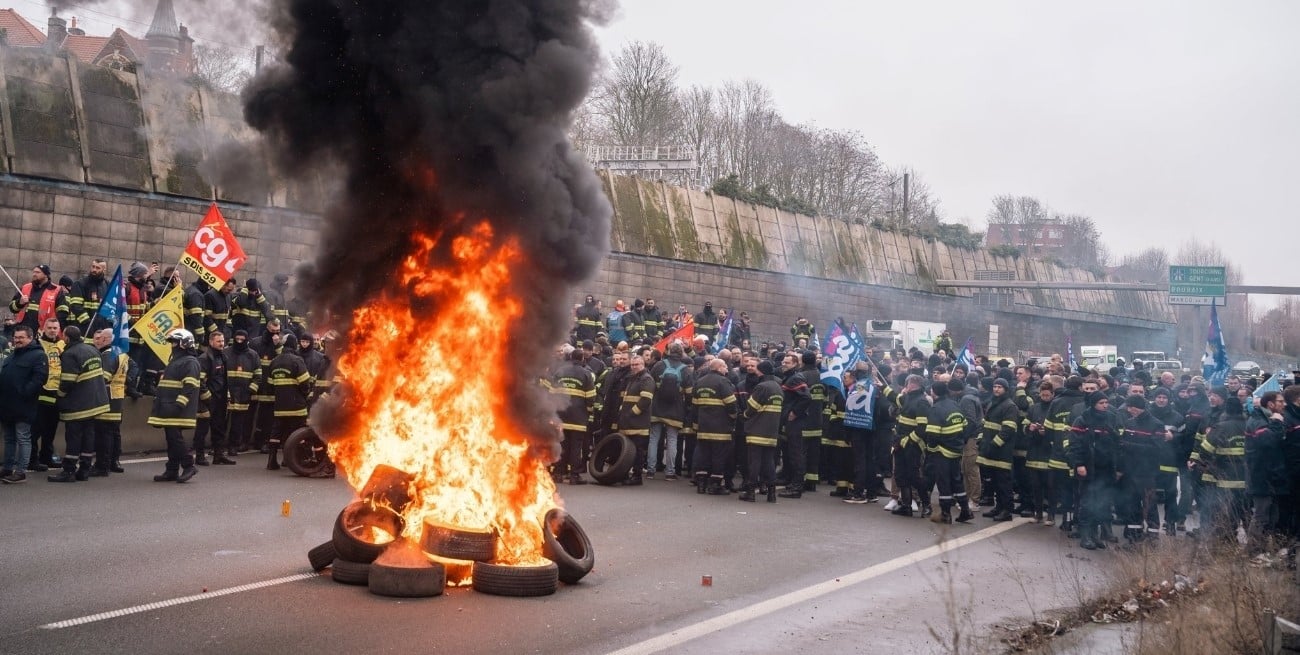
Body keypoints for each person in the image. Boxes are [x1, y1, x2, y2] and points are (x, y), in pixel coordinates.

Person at [48, 326, 110, 482]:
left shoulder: (70, 354)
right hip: (95, 402)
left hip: (78, 404)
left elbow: (68, 381)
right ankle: (84, 470)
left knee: (74, 437)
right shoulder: (92, 350)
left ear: (67, 338)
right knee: (88, 436)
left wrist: (59, 396)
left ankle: (68, 471)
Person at [1069, 390, 1121, 550]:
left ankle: (1095, 535)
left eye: (1106, 403)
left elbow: (1118, 444)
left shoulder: (1111, 418)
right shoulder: (1082, 420)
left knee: (1102, 503)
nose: (1105, 405)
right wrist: (1079, 464)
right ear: (1093, 404)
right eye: (1101, 403)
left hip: (1106, 469)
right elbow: (1075, 444)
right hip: (1089, 467)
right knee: (1087, 502)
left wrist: (1118, 468)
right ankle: (1085, 535)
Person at [149, 329, 201, 483]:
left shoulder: (190, 362)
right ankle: (172, 469)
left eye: (174, 342)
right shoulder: (176, 361)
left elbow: (189, 386)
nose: (172, 345)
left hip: (177, 407)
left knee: (175, 438)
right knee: (171, 439)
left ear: (184, 344)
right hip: (167, 405)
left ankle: (189, 465)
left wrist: (179, 404)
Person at [924, 378, 975, 524]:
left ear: (934, 393)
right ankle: (965, 511)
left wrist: (931, 449)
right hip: (956, 450)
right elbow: (965, 426)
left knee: (943, 483)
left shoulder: (936, 409)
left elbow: (932, 434)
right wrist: (959, 443)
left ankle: (945, 514)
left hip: (942, 452)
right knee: (957, 481)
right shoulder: (955, 405)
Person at [0, 325, 48, 483]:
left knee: (23, 438)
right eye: (15, 337)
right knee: (9, 439)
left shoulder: (38, 355)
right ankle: (7, 468)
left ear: (30, 338)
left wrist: (24, 393)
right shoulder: (12, 356)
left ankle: (20, 471)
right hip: (7, 405)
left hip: (24, 405)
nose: (17, 340)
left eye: (21, 337)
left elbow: (39, 379)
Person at [1245, 390, 1287, 558]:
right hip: (1260, 475)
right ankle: (1253, 551)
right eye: (1280, 402)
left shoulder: (1264, 419)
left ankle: (1264, 550)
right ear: (1270, 404)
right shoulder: (1258, 421)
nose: (1283, 405)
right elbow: (1267, 442)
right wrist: (1276, 424)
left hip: (1270, 475)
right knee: (1261, 515)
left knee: (1272, 516)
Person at [1117, 395, 1165, 543]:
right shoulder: (1129, 423)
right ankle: (1133, 535)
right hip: (1131, 472)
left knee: (1149, 504)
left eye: (1130, 407)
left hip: (1147, 472)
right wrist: (1120, 469)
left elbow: (1156, 449)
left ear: (1136, 407)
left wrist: (1130, 446)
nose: (1128, 410)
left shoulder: (1156, 425)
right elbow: (1122, 448)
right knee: (1132, 504)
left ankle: (1153, 535)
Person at [692, 358, 738, 495]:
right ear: (718, 368)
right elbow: (731, 404)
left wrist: (696, 425)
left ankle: (701, 484)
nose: (727, 369)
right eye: (725, 367)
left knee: (703, 455)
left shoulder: (700, 382)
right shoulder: (723, 382)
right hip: (721, 428)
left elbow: (694, 406)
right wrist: (734, 417)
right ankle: (715, 485)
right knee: (718, 456)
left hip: (703, 428)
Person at [267, 333, 311, 471]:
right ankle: (296, 460)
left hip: (279, 407)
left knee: (276, 433)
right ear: (294, 345)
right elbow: (305, 383)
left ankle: (271, 461)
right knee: (298, 434)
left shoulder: (274, 361)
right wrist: (305, 396)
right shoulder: (297, 361)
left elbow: (269, 385)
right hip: (297, 407)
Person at [740, 360, 783, 503]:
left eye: (757, 370)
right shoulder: (778, 387)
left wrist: (744, 416)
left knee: (754, 462)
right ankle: (771, 494)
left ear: (762, 371)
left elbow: (751, 407)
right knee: (769, 462)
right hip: (771, 431)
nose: (756, 372)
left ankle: (750, 492)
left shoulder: (762, 387)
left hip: (757, 430)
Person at [648, 343, 692, 480]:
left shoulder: (659, 365)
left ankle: (650, 470)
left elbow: (650, 383)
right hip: (675, 409)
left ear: (668, 351)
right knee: (672, 440)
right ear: (682, 353)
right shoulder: (685, 370)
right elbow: (690, 393)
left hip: (657, 407)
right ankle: (670, 472)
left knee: (654, 439)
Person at [551, 348, 596, 485]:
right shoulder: (586, 374)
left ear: (570, 358)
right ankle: (574, 476)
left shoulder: (560, 372)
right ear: (582, 359)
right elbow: (591, 397)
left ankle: (558, 473)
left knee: (562, 445)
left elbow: (552, 394)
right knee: (576, 447)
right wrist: (588, 412)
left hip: (561, 416)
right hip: (578, 418)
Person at [977, 378, 1019, 521]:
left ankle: (1007, 510)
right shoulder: (992, 403)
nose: (996, 389)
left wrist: (994, 444)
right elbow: (986, 424)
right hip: (990, 449)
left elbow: (1008, 430)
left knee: (1003, 483)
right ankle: (999, 507)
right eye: (995, 386)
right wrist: (982, 440)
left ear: (1006, 390)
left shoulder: (1010, 406)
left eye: (1000, 387)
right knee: (994, 481)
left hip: (1001, 451)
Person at [90, 328, 130, 476]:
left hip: (106, 396)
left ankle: (102, 466)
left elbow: (103, 377)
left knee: (103, 434)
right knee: (114, 432)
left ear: (107, 339)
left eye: (101, 338)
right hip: (118, 396)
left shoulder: (108, 355)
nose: (98, 340)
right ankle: (114, 461)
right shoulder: (122, 354)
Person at [29, 317, 65, 471]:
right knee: (36, 429)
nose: (52, 330)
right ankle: (32, 459)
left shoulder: (63, 345)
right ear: (44, 328)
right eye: (49, 327)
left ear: (59, 330)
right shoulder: (37, 344)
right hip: (41, 392)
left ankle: (47, 457)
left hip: (57, 392)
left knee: (51, 429)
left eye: (55, 328)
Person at [194, 331, 235, 466]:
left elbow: (224, 379)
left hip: (220, 399)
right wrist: (207, 398)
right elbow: (200, 381)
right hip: (208, 400)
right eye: (219, 341)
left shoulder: (223, 357)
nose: (222, 344)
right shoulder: (205, 358)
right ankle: (199, 456)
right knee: (202, 429)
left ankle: (218, 455)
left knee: (219, 428)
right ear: (211, 342)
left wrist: (227, 395)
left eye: (223, 341)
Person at [776, 351, 812, 499]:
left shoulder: (796, 378)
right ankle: (790, 480)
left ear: (796, 364)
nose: (784, 365)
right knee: (789, 452)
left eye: (787, 363)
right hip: (788, 421)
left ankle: (797, 486)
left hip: (796, 422)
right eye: (783, 362)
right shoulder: (788, 377)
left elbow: (806, 397)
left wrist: (794, 412)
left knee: (796, 453)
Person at [617, 354, 655, 486]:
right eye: (632, 365)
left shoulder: (646, 379)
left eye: (636, 364)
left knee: (638, 452)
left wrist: (632, 413)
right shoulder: (632, 379)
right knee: (627, 451)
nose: (634, 367)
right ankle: (626, 474)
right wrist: (622, 412)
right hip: (628, 422)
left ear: (643, 365)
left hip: (639, 423)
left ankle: (637, 476)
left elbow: (645, 400)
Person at [223, 330, 261, 455]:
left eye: (242, 339)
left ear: (246, 340)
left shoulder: (253, 355)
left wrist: (251, 389)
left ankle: (235, 445)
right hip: (227, 393)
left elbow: (258, 375)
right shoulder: (226, 353)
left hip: (244, 394)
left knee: (239, 422)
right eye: (237, 339)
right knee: (221, 421)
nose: (239, 342)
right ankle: (219, 446)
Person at [8, 264, 69, 333]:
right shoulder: (25, 287)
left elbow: (63, 313)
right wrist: (19, 303)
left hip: (44, 332)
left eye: (38, 272)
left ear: (46, 275)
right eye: (34, 272)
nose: (34, 274)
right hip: (22, 331)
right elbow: (11, 308)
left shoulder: (56, 290)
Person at [68, 258, 109, 332]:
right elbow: (75, 306)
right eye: (93, 266)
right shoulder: (80, 284)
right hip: (84, 328)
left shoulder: (107, 285)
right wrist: (87, 322)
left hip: (102, 328)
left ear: (104, 270)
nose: (94, 270)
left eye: (98, 268)